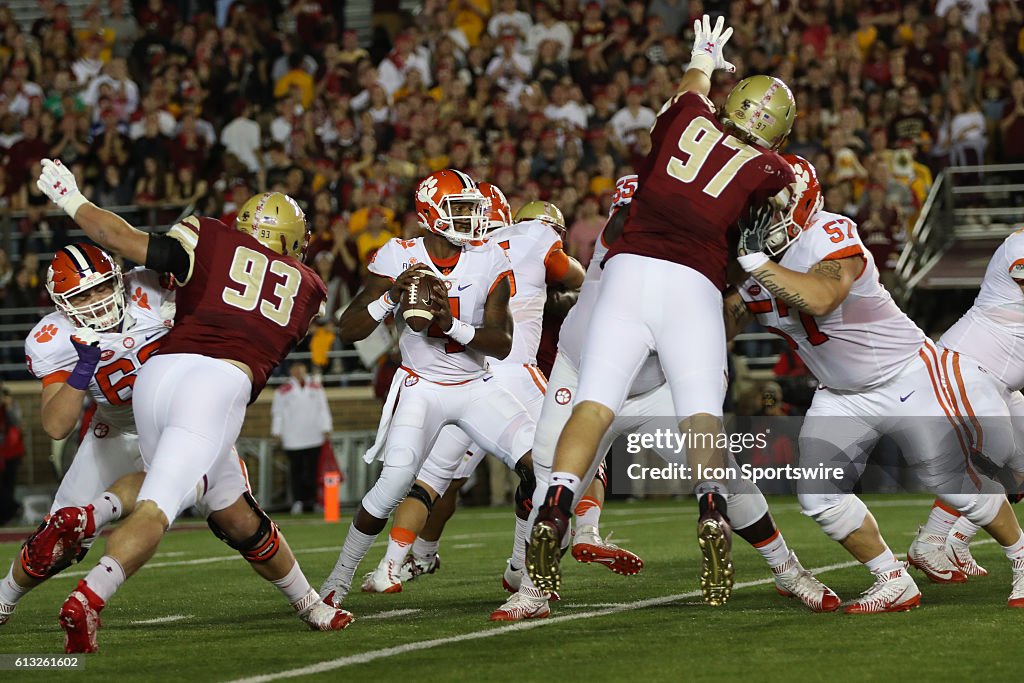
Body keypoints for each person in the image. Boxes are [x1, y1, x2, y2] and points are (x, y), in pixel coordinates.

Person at [527, 15, 797, 607]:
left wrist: (701, 57)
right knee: (702, 416)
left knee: (594, 405)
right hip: (692, 282)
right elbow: (778, 206)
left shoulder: (686, 114)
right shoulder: (772, 168)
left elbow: (687, 94)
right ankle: (709, 508)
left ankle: (556, 506)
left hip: (629, 272)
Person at [34, 160, 350, 652]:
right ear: (290, 241)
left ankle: (311, 604)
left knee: (237, 515)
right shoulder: (310, 289)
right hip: (216, 385)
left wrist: (71, 198)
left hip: (158, 377)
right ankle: (89, 596)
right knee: (161, 504)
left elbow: (115, 236)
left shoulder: (207, 233)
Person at [495, 175, 838, 619]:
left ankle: (787, 570)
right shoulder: (621, 235)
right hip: (583, 380)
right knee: (550, 485)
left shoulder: (695, 258)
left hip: (656, 390)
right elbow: (621, 228)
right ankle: (532, 588)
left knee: (727, 478)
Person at [727, 155, 1024, 612]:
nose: (763, 215)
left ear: (802, 203)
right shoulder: (748, 260)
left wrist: (752, 261)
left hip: (906, 371)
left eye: (773, 204)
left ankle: (1021, 557)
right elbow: (727, 320)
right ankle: (893, 578)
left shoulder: (828, 232)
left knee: (954, 476)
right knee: (818, 494)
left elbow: (822, 296)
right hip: (840, 392)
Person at [361, 188, 589, 608]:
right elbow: (579, 277)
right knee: (561, 465)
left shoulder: (458, 251)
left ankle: (396, 564)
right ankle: (530, 568)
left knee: (433, 480)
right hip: (509, 372)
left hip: (461, 376)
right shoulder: (530, 240)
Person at [318, 169, 535, 608]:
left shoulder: (490, 256)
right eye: (461, 209)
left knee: (541, 466)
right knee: (396, 479)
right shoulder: (398, 254)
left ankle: (528, 580)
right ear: (429, 212)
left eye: (474, 209)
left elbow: (502, 341)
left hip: (476, 386)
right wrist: (390, 298)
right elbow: (348, 329)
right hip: (421, 388)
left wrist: (447, 323)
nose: (472, 219)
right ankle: (338, 581)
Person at [913, 229, 1024, 581]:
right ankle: (931, 542)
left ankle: (956, 539)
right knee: (991, 453)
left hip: (998, 380)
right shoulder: (1020, 245)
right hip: (968, 367)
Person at [272, 361, 332, 514]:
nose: (298, 371)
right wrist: (277, 431)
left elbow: (323, 409)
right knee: (296, 471)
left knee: (313, 471)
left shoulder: (316, 388)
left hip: (314, 435)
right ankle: (298, 501)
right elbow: (277, 413)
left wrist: (326, 428)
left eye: (301, 368)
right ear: (290, 371)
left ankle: (313, 501)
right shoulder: (283, 390)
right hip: (292, 437)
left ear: (305, 369)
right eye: (295, 368)